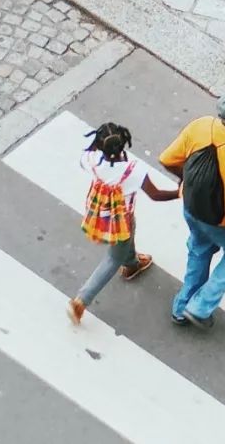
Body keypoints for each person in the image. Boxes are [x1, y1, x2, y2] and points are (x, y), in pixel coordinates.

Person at [160, 88, 225, 330]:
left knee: (199, 249)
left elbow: (167, 159)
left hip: (191, 208)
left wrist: (185, 182)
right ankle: (199, 307)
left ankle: (181, 309)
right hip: (221, 222)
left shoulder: (201, 126)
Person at [68, 122, 179, 325]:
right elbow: (156, 195)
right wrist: (179, 192)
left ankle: (132, 264)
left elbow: (88, 154)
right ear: (123, 145)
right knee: (113, 258)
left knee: (126, 242)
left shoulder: (91, 159)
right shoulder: (133, 170)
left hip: (100, 213)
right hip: (120, 220)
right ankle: (82, 300)